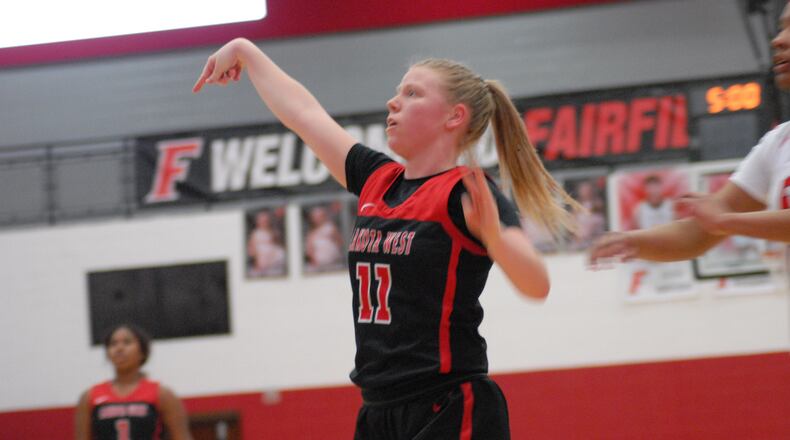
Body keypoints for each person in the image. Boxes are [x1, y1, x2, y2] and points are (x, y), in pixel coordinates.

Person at [193, 38, 578, 439]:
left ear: (454, 116)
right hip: (378, 411)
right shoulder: (377, 180)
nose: (393, 102)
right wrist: (244, 51)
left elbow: (537, 283)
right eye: (397, 92)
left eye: (412, 93)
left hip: (447, 405)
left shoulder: (465, 193)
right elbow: (304, 114)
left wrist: (495, 239)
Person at [589, 4, 790, 269]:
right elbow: (698, 233)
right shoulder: (778, 142)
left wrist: (725, 222)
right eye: (781, 28)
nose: (778, 40)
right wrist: (631, 241)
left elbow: (719, 220)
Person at [75, 324, 192, 440]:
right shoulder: (90, 396)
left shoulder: (162, 394)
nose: (119, 348)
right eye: (113, 343)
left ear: (142, 352)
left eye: (127, 342)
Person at [304, 204, 344, 272]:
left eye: (319, 216)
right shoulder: (311, 233)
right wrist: (314, 261)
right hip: (318, 266)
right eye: (315, 217)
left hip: (334, 264)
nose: (317, 219)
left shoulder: (330, 228)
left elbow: (340, 242)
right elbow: (309, 250)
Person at [247, 209, 287, 277]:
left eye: (266, 220)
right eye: (261, 220)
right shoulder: (255, 234)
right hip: (262, 266)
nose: (264, 221)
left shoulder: (274, 233)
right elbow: (251, 251)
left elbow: (279, 247)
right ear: (257, 221)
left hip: (274, 265)